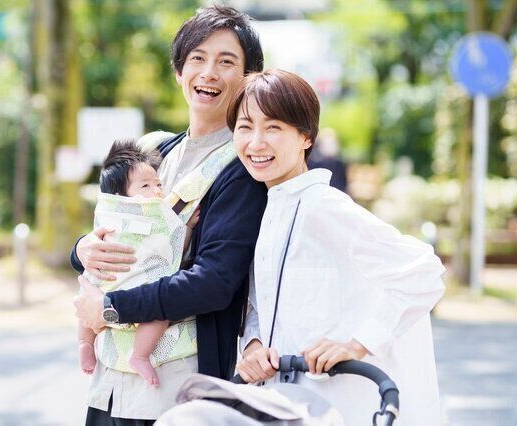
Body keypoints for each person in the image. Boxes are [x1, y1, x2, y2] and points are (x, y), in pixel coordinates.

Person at [71, 6, 266, 424]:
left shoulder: (242, 170)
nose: (208, 73)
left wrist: (110, 307)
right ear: (179, 71)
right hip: (110, 381)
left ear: (248, 77)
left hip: (176, 387)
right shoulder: (155, 152)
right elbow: (112, 224)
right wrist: (82, 249)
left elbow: (214, 282)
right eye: (197, 58)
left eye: (226, 62)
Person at [227, 69, 445, 425]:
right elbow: (261, 303)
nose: (256, 142)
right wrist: (253, 345)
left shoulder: (322, 206)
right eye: (245, 127)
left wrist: (356, 343)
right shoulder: (268, 209)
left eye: (274, 127)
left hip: (341, 403)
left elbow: (423, 272)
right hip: (287, 403)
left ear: (305, 137)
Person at [78, 139, 200, 387]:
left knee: (155, 307)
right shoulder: (122, 214)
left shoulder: (156, 213)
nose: (156, 191)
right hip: (117, 277)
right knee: (88, 296)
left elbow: (171, 243)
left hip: (129, 283)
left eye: (159, 184)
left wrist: (184, 226)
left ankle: (121, 350)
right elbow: (174, 243)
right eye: (145, 186)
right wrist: (185, 227)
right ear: (119, 197)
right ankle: (96, 345)